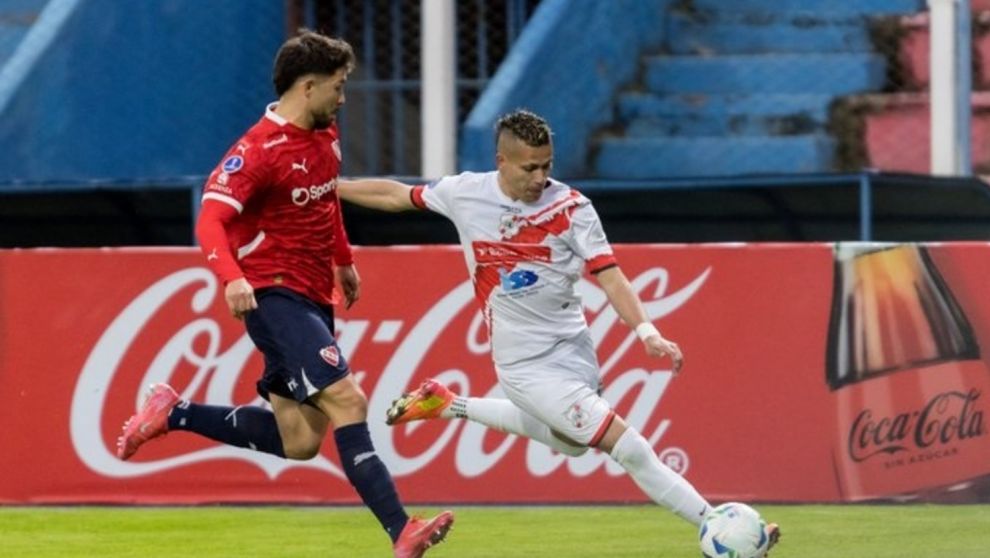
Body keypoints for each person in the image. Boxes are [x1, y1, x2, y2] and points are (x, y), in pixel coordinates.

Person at [336, 109, 780, 555]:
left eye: (547, 165)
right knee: (627, 446)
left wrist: (645, 330)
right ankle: (717, 524)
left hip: (574, 350)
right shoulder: (465, 193)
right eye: (530, 167)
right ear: (502, 161)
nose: (540, 177)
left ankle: (450, 404)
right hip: (524, 366)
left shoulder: (571, 208)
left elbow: (611, 275)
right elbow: (397, 194)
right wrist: (332, 188)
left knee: (571, 445)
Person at [114, 29, 453, 558]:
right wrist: (233, 278)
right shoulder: (257, 151)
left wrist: (343, 259)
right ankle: (401, 530)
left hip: (314, 292)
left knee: (300, 441)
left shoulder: (325, 132)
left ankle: (173, 413)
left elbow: (324, 203)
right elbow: (211, 221)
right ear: (309, 85)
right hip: (272, 294)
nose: (344, 98)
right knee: (348, 398)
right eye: (338, 88)